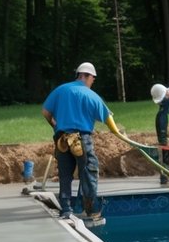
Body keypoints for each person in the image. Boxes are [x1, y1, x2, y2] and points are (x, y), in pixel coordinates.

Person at [41, 61, 114, 223]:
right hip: (83, 139)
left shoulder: (60, 90)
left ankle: (66, 210)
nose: (92, 82)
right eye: (92, 78)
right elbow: (108, 119)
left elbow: (45, 112)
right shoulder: (91, 95)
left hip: (62, 139)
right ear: (87, 76)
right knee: (89, 173)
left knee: (65, 175)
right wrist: (117, 132)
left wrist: (55, 126)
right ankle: (92, 211)